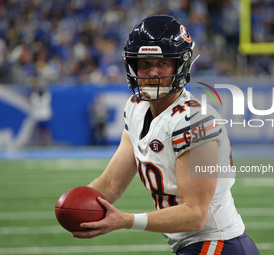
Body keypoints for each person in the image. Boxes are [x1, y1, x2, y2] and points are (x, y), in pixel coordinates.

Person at [73, 15, 259, 254]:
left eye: (163, 63)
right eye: (145, 63)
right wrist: (78, 205)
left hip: (217, 243)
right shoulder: (136, 107)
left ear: (180, 65)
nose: (152, 72)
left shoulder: (195, 120)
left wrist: (126, 220)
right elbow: (111, 183)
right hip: (194, 244)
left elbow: (195, 214)